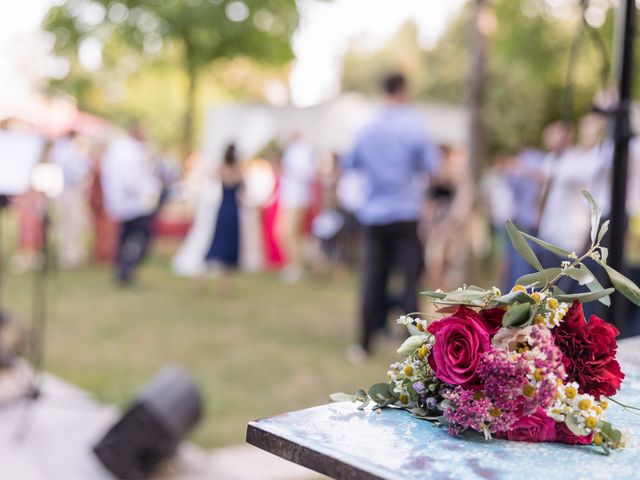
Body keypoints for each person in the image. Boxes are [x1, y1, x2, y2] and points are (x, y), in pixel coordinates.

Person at [343, 72, 440, 362]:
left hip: (374, 215)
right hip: (405, 213)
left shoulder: (367, 127)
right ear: (404, 90)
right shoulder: (413, 125)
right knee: (410, 279)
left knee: (372, 279)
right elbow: (432, 166)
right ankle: (414, 346)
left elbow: (351, 163)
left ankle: (363, 344)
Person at [101, 122, 160, 285]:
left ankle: (123, 267)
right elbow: (133, 180)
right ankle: (126, 268)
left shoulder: (118, 149)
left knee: (126, 237)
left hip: (124, 203)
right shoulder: (130, 151)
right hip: (135, 203)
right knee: (140, 237)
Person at [49, 130, 91, 269]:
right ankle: (70, 255)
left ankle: (70, 253)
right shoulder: (70, 151)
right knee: (71, 224)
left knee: (68, 224)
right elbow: (78, 172)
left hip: (64, 192)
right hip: (70, 191)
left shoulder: (59, 150)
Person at [203, 144, 243, 287]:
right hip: (232, 210)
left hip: (224, 209)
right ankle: (223, 284)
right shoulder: (238, 170)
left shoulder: (222, 169)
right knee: (226, 244)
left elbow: (211, 177)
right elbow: (243, 188)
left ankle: (207, 281)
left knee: (219, 242)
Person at [278, 132, 316, 283]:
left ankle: (296, 267)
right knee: (284, 233)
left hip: (298, 198)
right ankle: (294, 264)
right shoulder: (291, 151)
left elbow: (308, 173)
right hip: (289, 197)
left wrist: (293, 171)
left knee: (291, 233)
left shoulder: (304, 151)